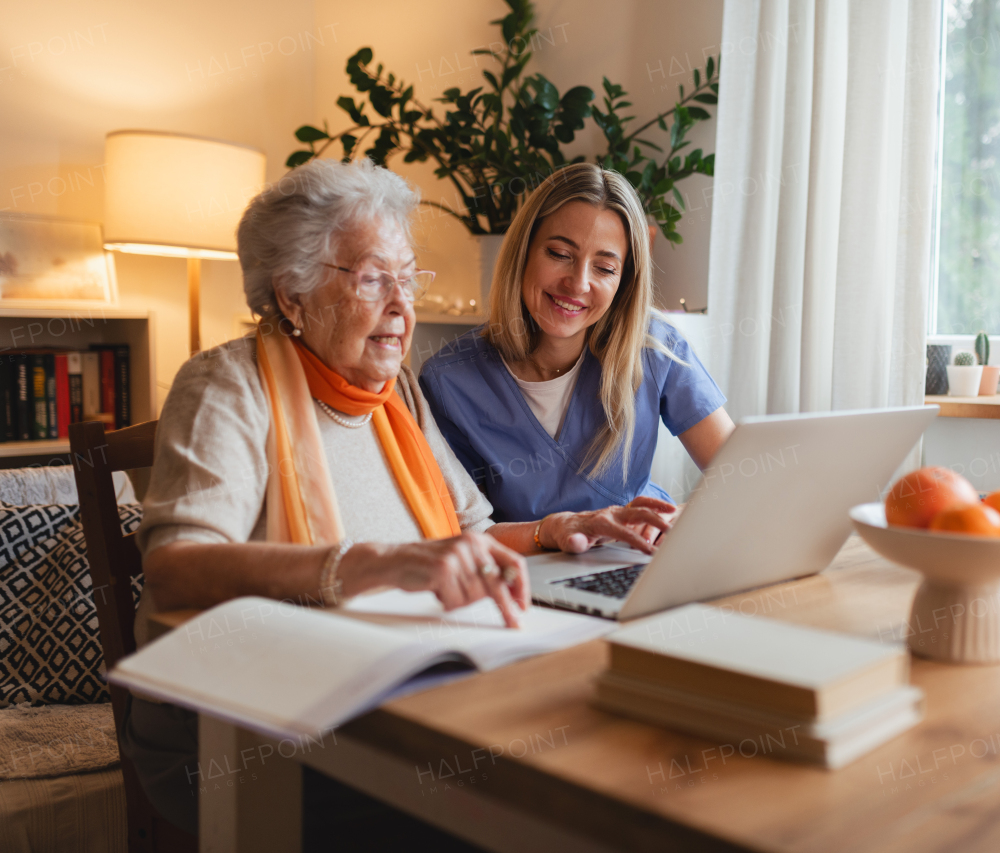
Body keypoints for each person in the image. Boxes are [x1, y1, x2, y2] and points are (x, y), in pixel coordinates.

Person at [122, 157, 674, 842]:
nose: (402, 305)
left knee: (603, 756)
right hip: (239, 731)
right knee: (526, 814)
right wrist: (366, 562)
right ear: (292, 295)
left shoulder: (397, 396)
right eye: (374, 279)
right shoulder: (228, 385)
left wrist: (562, 525)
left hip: (398, 698)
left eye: (407, 277)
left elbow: (470, 533)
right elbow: (178, 564)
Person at [419, 164, 734, 544]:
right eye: (559, 253)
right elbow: (457, 534)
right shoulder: (449, 381)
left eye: (604, 267)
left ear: (624, 281)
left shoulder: (654, 349)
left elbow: (740, 474)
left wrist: (674, 521)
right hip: (527, 577)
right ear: (524, 252)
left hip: (644, 558)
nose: (578, 283)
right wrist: (548, 535)